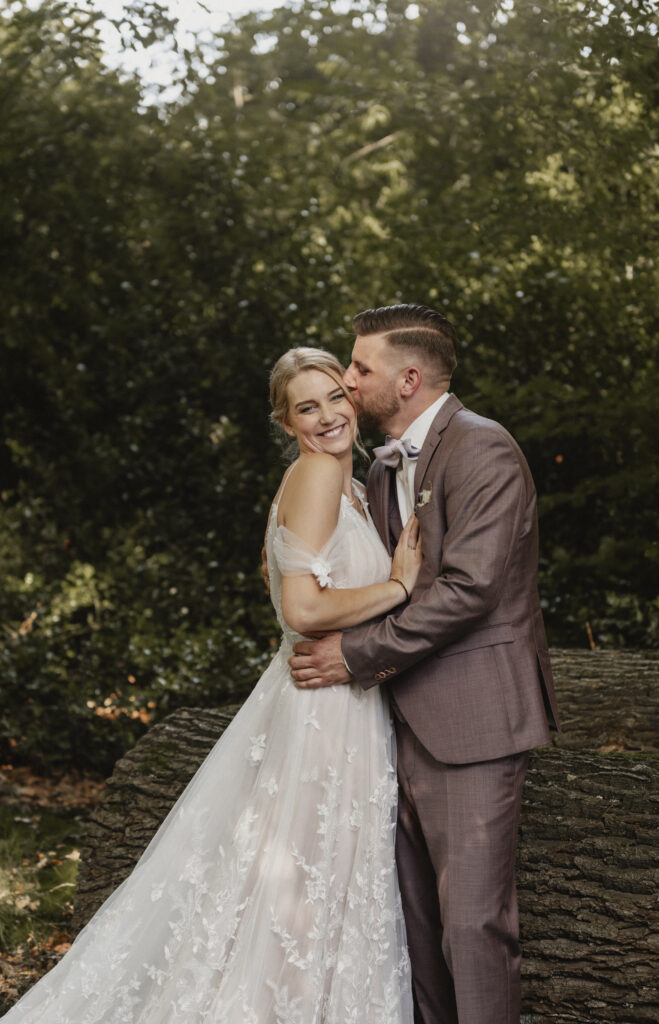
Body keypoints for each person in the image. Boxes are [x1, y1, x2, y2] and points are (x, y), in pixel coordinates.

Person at [1, 347, 421, 1024]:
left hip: (342, 702)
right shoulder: (318, 474)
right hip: (325, 710)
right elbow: (302, 609)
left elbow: (289, 581)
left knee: (309, 881)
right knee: (310, 875)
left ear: (352, 399)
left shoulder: (349, 484)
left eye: (334, 399)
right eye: (306, 408)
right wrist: (398, 587)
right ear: (285, 423)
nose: (326, 417)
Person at [289, 304, 561, 1024]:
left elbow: (470, 590)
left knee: (472, 927)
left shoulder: (483, 449)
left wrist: (353, 656)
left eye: (361, 368)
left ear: (408, 379)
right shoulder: (381, 470)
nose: (348, 382)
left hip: (473, 722)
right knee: (412, 934)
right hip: (388, 725)